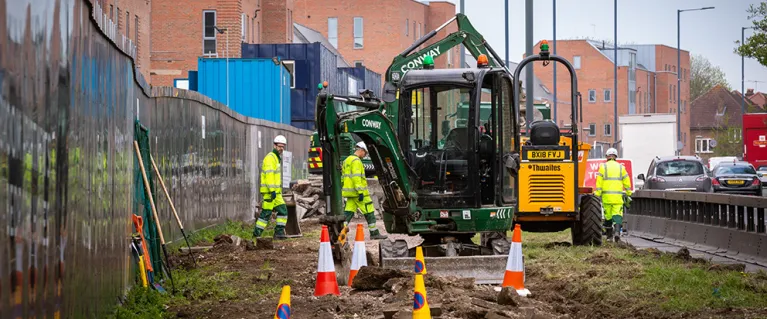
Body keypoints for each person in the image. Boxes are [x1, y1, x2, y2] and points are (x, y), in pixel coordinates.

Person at [342, 141, 387, 240]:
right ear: (361, 150)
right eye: (365, 153)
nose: (365, 155)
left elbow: (343, 178)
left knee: (348, 213)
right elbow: (356, 178)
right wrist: (361, 192)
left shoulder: (347, 160)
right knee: (370, 211)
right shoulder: (356, 161)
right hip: (359, 193)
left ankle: (340, 232)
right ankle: (374, 233)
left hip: (350, 193)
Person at [253, 135, 288, 239]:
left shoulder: (276, 158)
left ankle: (279, 233)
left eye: (283, 146)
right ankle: (256, 234)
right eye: (279, 146)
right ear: (274, 145)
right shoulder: (270, 158)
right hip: (270, 192)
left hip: (276, 193)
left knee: (283, 211)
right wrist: (272, 190)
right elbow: (269, 176)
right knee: (266, 213)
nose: (281, 148)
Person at [594, 148, 632, 240]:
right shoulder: (621, 167)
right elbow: (626, 181)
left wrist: (598, 193)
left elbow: (599, 182)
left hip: (607, 197)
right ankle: (617, 232)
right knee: (617, 215)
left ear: (607, 156)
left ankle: (609, 236)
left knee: (608, 216)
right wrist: (628, 192)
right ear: (616, 156)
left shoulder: (603, 167)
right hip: (617, 197)